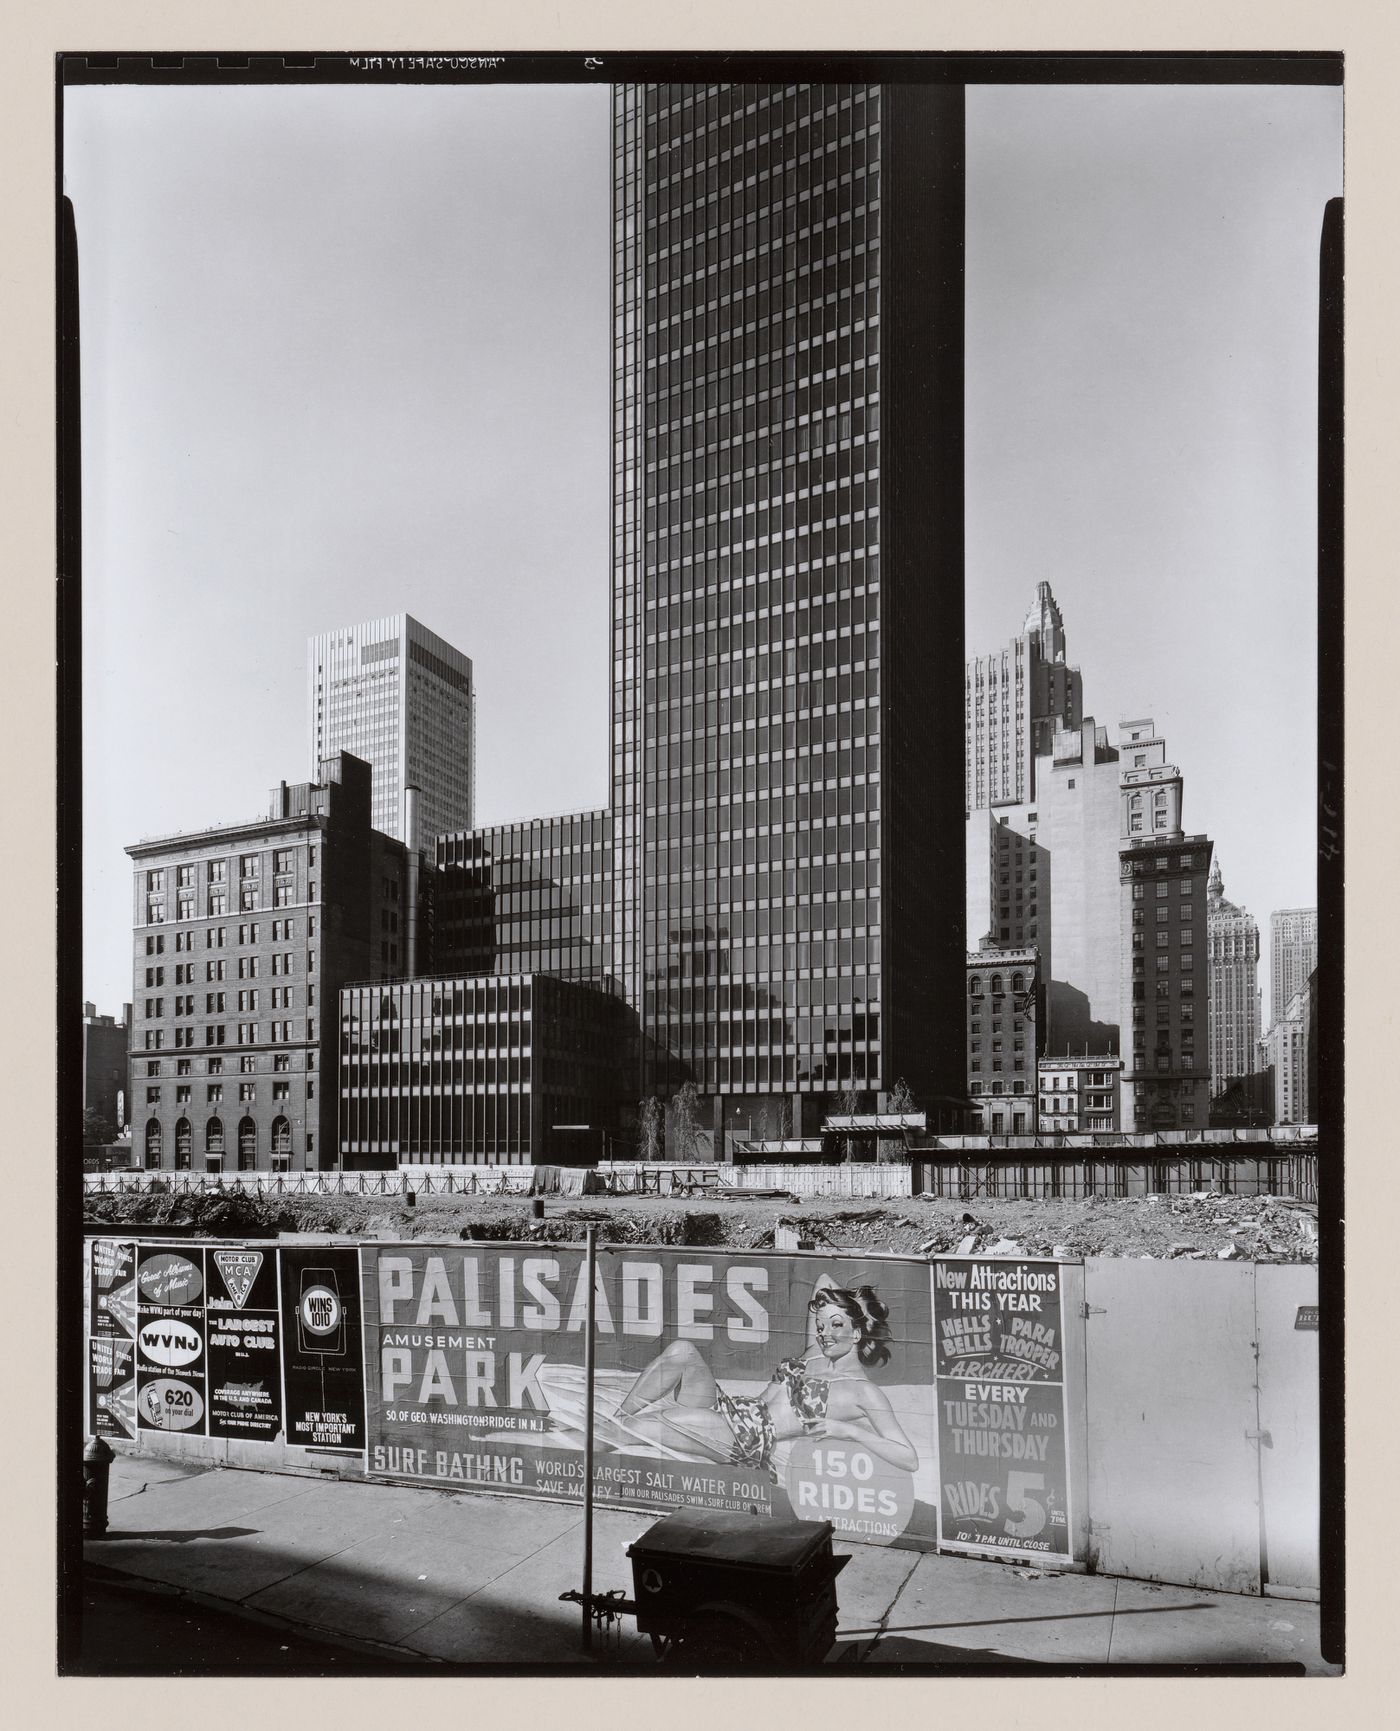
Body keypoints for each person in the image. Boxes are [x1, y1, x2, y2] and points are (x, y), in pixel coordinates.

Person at [608, 1271, 918, 1479]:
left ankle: (583, 1441)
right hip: (731, 1409)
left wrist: (849, 1431)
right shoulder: (816, 1351)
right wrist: (849, 1301)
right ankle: (613, 1417)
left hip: (746, 1439)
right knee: (682, 1351)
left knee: (637, 1427)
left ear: (858, 1332)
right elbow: (823, 1280)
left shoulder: (862, 1391)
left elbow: (909, 1458)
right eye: (823, 1326)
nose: (824, 1332)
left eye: (837, 1324)